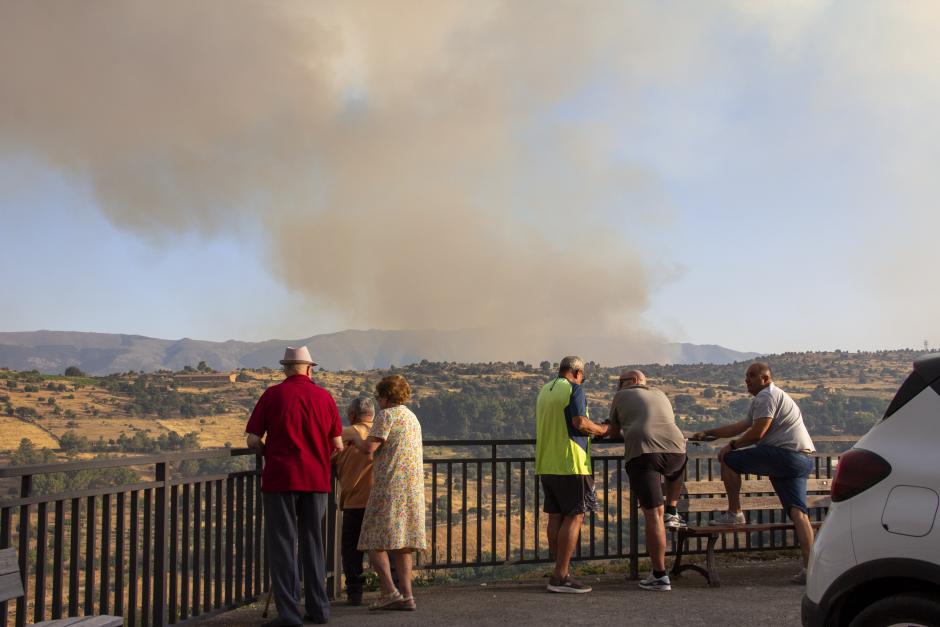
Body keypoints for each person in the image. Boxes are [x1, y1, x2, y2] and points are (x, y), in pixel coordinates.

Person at [690, 361, 816, 584]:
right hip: (801, 459)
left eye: (751, 376)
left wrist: (732, 446)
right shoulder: (770, 396)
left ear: (765, 379)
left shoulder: (766, 396)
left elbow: (758, 433)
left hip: (783, 455)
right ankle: (811, 570)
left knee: (728, 459)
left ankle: (735, 512)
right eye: (746, 376)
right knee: (799, 513)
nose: (746, 380)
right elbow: (740, 427)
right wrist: (710, 433)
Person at [245, 346, 342, 626]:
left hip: (280, 479)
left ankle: (288, 615)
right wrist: (320, 458)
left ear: (286, 368)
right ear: (310, 369)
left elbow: (252, 439)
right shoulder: (325, 398)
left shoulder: (272, 395)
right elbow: (336, 445)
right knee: (314, 543)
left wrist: (267, 450)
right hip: (316, 480)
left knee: (283, 545)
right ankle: (319, 610)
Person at [347, 375, 426, 611]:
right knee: (403, 545)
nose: (378, 401)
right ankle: (408, 596)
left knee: (373, 539)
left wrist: (353, 437)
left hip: (389, 486)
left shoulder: (387, 415)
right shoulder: (411, 417)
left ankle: (390, 592)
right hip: (411, 488)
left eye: (379, 396)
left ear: (384, 396)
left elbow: (369, 449)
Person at [606, 369, 687, 592]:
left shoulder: (621, 396)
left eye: (619, 382)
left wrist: (629, 431)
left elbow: (613, 432)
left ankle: (660, 575)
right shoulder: (661, 393)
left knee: (653, 516)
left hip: (644, 453)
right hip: (677, 452)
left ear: (631, 382)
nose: (617, 386)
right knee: (676, 469)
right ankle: (672, 509)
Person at [535, 356, 608, 594]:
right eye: (583, 376)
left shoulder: (546, 390)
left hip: (546, 462)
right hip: (572, 463)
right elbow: (580, 422)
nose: (582, 380)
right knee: (576, 516)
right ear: (576, 372)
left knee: (555, 517)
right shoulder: (574, 390)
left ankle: (559, 569)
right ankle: (561, 576)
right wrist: (602, 429)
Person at [332, 397, 393, 606]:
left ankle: (355, 592)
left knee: (351, 550)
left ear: (351, 415)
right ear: (372, 415)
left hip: (354, 501)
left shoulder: (344, 434)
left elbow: (327, 454)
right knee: (382, 545)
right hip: (380, 500)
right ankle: (391, 588)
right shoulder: (381, 433)